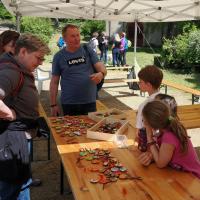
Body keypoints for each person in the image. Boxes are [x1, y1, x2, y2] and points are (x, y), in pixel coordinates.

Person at [0, 34, 50, 200]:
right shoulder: (10, 70)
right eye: (38, 58)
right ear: (22, 52)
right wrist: (8, 113)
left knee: (19, 183)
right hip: (11, 140)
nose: (41, 62)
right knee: (12, 188)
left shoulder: (16, 67)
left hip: (17, 138)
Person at [50, 24, 107, 116]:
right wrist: (53, 104)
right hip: (69, 103)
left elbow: (101, 67)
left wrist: (101, 74)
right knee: (71, 130)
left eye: (78, 35)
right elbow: (54, 82)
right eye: (72, 36)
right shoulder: (59, 56)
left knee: (90, 129)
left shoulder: (87, 50)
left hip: (89, 101)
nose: (77, 39)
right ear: (64, 39)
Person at [139, 100, 200, 178]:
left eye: (144, 120)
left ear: (152, 125)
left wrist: (149, 137)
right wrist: (152, 156)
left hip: (193, 178)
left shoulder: (169, 137)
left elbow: (160, 164)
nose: (143, 123)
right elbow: (163, 154)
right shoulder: (168, 126)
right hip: (181, 173)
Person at [136, 65, 163, 135]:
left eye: (140, 81)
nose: (138, 83)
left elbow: (138, 131)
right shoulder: (166, 99)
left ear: (148, 85)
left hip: (150, 140)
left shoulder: (144, 105)